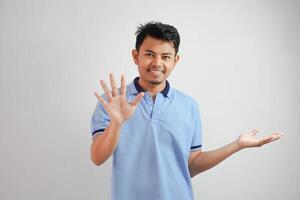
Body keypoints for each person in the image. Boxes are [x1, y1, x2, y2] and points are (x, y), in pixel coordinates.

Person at [90, 21, 283, 200]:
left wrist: (237, 145)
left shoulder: (189, 106)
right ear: (135, 56)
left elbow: (192, 165)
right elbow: (97, 158)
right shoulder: (112, 102)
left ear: (176, 60)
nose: (157, 63)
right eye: (149, 54)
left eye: (165, 57)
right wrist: (117, 123)